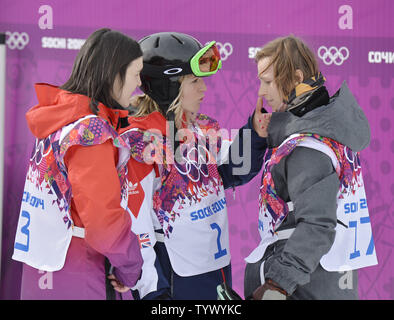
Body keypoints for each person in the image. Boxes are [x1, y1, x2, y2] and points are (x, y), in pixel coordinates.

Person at [119, 32, 269, 300]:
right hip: (174, 278)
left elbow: (231, 171)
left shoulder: (199, 130)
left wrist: (255, 135)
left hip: (214, 271)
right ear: (169, 85)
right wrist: (154, 293)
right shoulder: (141, 145)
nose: (204, 89)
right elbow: (136, 229)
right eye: (194, 81)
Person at [12, 28, 144, 299]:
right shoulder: (89, 133)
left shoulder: (57, 123)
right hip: (81, 273)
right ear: (114, 74)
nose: (138, 83)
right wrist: (131, 267)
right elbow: (103, 222)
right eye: (135, 73)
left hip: (41, 270)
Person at [244, 35, 378, 300]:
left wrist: (277, 286)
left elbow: (317, 224)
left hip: (303, 287)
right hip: (327, 282)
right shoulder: (330, 135)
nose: (261, 91)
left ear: (296, 78)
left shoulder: (308, 146)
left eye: (268, 81)